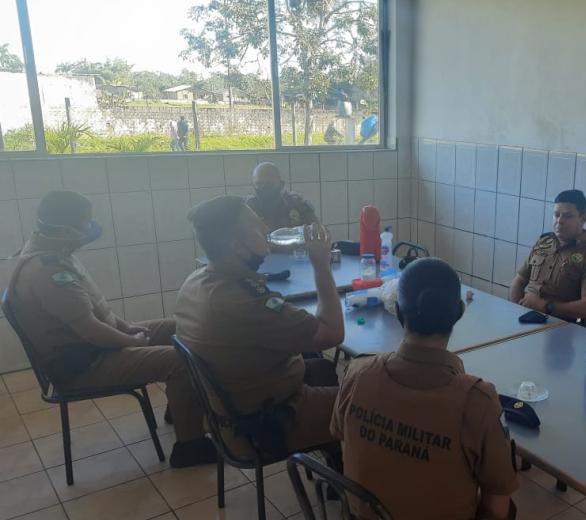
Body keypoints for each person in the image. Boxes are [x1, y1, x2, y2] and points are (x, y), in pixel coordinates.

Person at [7, 191, 212, 467]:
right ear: (64, 229)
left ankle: (181, 409)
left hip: (91, 347)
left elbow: (95, 310)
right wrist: (133, 341)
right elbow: (91, 330)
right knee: (182, 361)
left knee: (180, 327)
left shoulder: (53, 252)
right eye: (85, 222)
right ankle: (190, 448)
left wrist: (127, 327)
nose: (91, 228)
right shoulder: (48, 271)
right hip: (84, 364)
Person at [330, 258, 518, 520]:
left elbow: (344, 442)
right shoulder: (477, 401)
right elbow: (497, 503)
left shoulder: (357, 373)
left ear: (398, 312)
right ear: (459, 313)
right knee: (505, 509)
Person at [174, 195, 343, 457]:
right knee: (366, 404)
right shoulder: (242, 300)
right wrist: (321, 265)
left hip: (237, 406)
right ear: (237, 246)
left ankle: (335, 461)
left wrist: (268, 245)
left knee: (322, 368)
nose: (266, 228)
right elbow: (331, 332)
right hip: (265, 424)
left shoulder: (198, 280)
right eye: (256, 225)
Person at [510, 189, 586, 323]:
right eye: (556, 215)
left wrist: (545, 306)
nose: (560, 221)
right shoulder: (544, 243)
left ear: (583, 219)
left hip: (563, 328)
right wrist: (517, 310)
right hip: (526, 320)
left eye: (568, 216)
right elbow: (518, 281)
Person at [245, 161, 319, 238]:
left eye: (269, 184)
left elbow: (318, 233)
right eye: (258, 184)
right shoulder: (248, 208)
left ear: (281, 185)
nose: (263, 188)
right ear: (253, 185)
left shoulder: (297, 205)